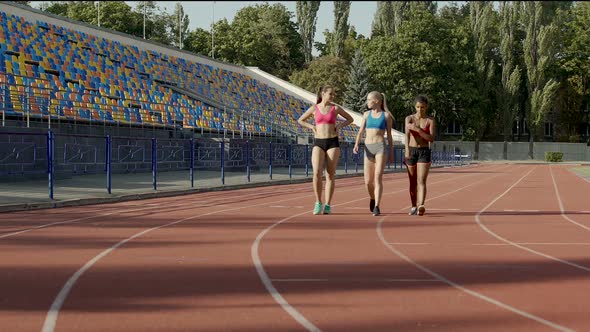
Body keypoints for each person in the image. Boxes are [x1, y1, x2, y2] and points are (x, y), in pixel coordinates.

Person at [297, 85, 354, 215]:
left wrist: (340, 125)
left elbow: (350, 119)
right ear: (323, 93)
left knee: (330, 174)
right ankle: (318, 202)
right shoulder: (314, 108)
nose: (333, 96)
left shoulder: (335, 108)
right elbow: (300, 120)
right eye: (331, 94)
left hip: (332, 142)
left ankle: (328, 204)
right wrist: (311, 126)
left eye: (334, 94)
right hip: (318, 142)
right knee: (316, 173)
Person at [353, 91, 395, 216]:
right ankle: (372, 198)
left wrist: (391, 151)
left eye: (369, 99)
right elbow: (361, 132)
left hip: (380, 147)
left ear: (377, 101)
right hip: (368, 147)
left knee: (377, 177)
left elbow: (390, 136)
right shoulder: (366, 114)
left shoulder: (386, 116)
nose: (367, 102)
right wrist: (356, 144)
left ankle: (377, 205)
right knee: (367, 181)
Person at [404, 95, 436, 216]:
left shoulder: (430, 121)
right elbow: (406, 136)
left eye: (422, 107)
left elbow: (431, 138)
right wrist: (406, 150)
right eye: (417, 107)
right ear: (415, 107)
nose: (420, 109)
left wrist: (418, 130)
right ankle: (413, 206)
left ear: (426, 107)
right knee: (412, 181)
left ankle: (421, 205)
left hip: (424, 151)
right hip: (412, 151)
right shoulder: (409, 119)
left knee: (421, 180)